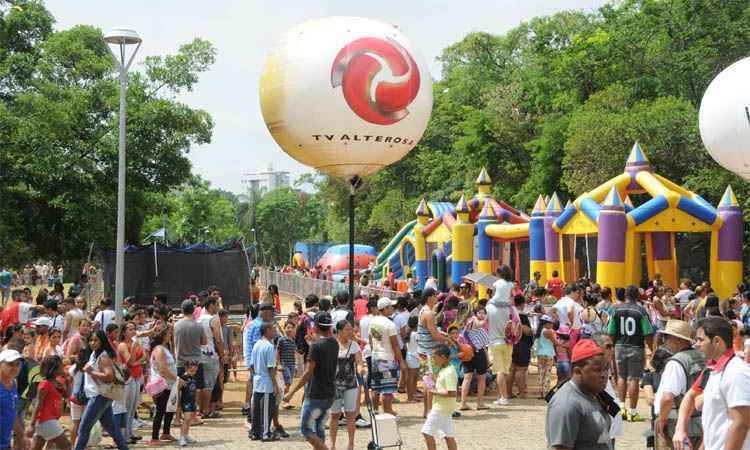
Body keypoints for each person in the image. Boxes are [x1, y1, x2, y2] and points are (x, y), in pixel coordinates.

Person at [690, 317, 750, 450]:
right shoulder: (716, 370)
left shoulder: (736, 372)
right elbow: (715, 423)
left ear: (717, 341)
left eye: (700, 340)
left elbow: (741, 423)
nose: (696, 344)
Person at [284, 312, 338, 450]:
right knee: (319, 427)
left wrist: (291, 393)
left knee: (306, 429)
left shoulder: (316, 346)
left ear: (316, 326)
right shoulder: (334, 343)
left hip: (316, 394)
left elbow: (308, 372)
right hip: (329, 393)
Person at [545, 339, 612, 450]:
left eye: (605, 369)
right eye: (597, 370)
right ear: (577, 371)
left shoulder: (593, 394)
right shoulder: (567, 404)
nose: (604, 375)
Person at [651, 320, 705, 449]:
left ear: (677, 339)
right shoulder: (702, 357)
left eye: (667, 337)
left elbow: (667, 397)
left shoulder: (676, 363)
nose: (664, 341)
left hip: (676, 426)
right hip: (699, 424)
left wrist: (662, 420)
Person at [75, 330, 129, 450]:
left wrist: (91, 372)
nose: (92, 343)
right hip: (101, 396)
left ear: (102, 341)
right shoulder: (94, 354)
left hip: (98, 397)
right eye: (91, 340)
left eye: (96, 340)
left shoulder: (102, 356)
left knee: (83, 429)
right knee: (113, 430)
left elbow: (109, 377)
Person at [608, 284, 654, 422]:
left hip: (619, 346)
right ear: (638, 296)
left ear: (625, 295)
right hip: (636, 347)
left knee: (621, 377)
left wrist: (610, 348)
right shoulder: (641, 310)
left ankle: (621, 408)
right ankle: (633, 412)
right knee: (633, 378)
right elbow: (648, 332)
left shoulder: (615, 309)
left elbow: (610, 331)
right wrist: (651, 348)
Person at [329, 320, 365, 450]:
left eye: (351, 329)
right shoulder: (332, 345)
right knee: (334, 415)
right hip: (335, 385)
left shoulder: (354, 345)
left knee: (351, 415)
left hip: (350, 384)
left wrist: (360, 368)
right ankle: (332, 444)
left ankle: (351, 444)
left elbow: (359, 361)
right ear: (339, 331)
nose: (351, 332)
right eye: (347, 329)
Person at [487, 265, 520, 406]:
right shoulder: (511, 309)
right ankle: (503, 395)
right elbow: (517, 325)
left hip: (495, 342)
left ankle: (503, 397)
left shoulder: (489, 308)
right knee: (504, 371)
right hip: (509, 342)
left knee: (499, 371)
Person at [368, 297, 405, 415]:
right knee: (388, 388)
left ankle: (375, 411)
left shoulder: (372, 321)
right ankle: (387, 410)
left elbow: (370, 339)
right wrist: (402, 362)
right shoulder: (390, 324)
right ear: (385, 309)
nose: (392, 309)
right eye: (390, 307)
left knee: (376, 386)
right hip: (387, 357)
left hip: (375, 356)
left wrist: (375, 351)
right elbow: (395, 345)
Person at [417, 287, 450, 418]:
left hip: (424, 351)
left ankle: (428, 410)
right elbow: (435, 335)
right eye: (435, 296)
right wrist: (448, 339)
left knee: (428, 382)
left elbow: (433, 332)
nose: (437, 298)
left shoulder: (425, 311)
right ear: (430, 297)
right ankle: (429, 410)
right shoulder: (428, 313)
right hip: (429, 352)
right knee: (430, 383)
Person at [173, 300, 207, 427]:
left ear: (182, 310)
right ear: (193, 310)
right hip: (195, 363)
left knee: (179, 391)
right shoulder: (198, 326)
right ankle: (192, 417)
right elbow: (204, 342)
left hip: (180, 362)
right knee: (193, 391)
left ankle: (177, 418)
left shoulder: (176, 325)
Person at [26, 356, 70, 450]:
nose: (63, 367)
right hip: (47, 420)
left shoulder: (56, 383)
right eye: (60, 366)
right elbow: (38, 403)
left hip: (46, 420)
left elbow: (67, 396)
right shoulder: (45, 384)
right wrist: (31, 424)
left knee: (36, 447)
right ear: (54, 369)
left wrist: (68, 381)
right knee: (66, 446)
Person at [249, 321, 280, 442]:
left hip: (257, 380)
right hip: (266, 382)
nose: (274, 331)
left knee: (256, 408)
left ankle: (255, 432)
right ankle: (266, 434)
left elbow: (251, 365)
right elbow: (271, 368)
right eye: (273, 329)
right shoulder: (269, 346)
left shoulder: (257, 344)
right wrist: (275, 385)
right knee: (267, 409)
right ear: (267, 330)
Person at [147, 327, 177, 446]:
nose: (170, 336)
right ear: (163, 335)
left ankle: (166, 432)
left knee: (169, 409)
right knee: (160, 410)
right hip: (163, 385)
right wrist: (177, 379)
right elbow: (162, 369)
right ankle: (154, 437)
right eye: (169, 333)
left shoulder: (165, 348)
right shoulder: (159, 350)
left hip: (169, 384)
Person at [197, 298, 224, 418]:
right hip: (210, 355)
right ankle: (206, 410)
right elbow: (218, 339)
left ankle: (200, 409)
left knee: (200, 385)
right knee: (209, 385)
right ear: (211, 305)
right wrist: (222, 355)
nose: (218, 308)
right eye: (216, 305)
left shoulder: (199, 319)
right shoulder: (213, 319)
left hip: (199, 354)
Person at [459, 306, 489, 410]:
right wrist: (486, 317)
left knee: (467, 377)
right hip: (476, 351)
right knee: (481, 377)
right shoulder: (473, 320)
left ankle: (463, 403)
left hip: (467, 351)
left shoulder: (465, 321)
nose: (482, 315)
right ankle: (479, 403)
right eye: (479, 312)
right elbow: (479, 324)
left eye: (483, 313)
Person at [511, 295, 533, 399]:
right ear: (523, 303)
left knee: (512, 369)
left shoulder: (510, 313)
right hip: (522, 344)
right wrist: (531, 331)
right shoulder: (521, 315)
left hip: (513, 343)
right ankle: (522, 393)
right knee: (521, 369)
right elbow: (525, 330)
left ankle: (508, 392)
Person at [0, 349, 22, 450]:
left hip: (6, 443)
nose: (15, 368)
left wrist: (20, 436)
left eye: (17, 364)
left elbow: (13, 412)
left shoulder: (13, 383)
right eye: (10, 364)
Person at [178, 361, 199, 447]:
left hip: (192, 401)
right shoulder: (183, 378)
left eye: (195, 371)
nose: (193, 373)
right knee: (186, 419)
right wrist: (178, 403)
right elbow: (178, 390)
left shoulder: (194, 378)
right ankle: (182, 437)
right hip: (185, 401)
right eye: (192, 371)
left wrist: (196, 402)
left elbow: (195, 391)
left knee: (189, 419)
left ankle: (186, 435)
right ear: (187, 369)